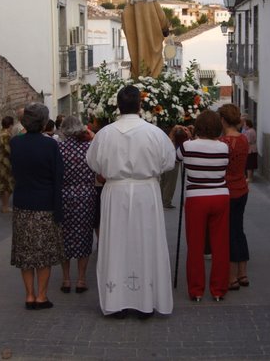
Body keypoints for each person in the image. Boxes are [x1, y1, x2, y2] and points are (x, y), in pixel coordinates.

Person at [86, 85, 175, 319]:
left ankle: (117, 303)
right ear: (140, 105)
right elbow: (168, 162)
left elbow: (93, 163)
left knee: (116, 244)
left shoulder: (105, 134)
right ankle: (146, 303)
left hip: (116, 193)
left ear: (118, 105)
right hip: (146, 193)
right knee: (146, 242)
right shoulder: (155, 133)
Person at [10, 103, 64, 310]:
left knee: (25, 253)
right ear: (43, 122)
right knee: (44, 254)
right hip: (45, 205)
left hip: (22, 203)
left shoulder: (16, 143)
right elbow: (58, 177)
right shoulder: (50, 145)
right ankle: (41, 296)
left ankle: (29, 295)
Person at [176, 110, 230, 302]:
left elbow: (177, 158)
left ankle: (196, 290)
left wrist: (190, 138)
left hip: (196, 198)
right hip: (220, 196)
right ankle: (218, 290)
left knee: (195, 246)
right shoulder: (224, 147)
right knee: (221, 245)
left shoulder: (187, 147)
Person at [58, 116, 96, 294]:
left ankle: (66, 279)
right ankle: (81, 279)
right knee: (84, 236)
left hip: (64, 195)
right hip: (86, 196)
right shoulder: (89, 148)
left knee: (64, 237)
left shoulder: (58, 148)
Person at [218, 104, 249, 291]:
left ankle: (231, 277)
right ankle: (243, 273)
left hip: (227, 189)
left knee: (228, 232)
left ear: (222, 120)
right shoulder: (244, 139)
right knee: (239, 229)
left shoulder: (223, 143)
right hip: (242, 189)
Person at [160, 125, 190, 209]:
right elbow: (171, 148)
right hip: (173, 158)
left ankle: (162, 200)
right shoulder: (171, 141)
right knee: (169, 181)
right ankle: (166, 201)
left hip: (168, 157)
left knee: (164, 180)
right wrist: (173, 132)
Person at [0, 116, 15, 213]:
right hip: (6, 161)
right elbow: (8, 149)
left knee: (3, 183)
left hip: (0, 160)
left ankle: (4, 205)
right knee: (7, 184)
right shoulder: (6, 135)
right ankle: (5, 206)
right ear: (11, 124)